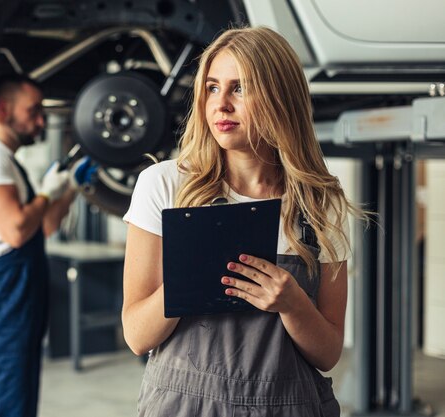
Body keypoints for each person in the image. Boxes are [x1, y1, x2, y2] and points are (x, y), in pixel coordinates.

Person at [122, 26, 365, 417]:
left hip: (288, 406)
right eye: (213, 88)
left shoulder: (322, 204)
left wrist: (293, 305)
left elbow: (328, 354)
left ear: (279, 98)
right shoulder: (166, 185)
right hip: (184, 405)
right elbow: (136, 336)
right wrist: (190, 278)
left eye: (240, 88)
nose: (221, 105)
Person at [0, 74, 92, 417]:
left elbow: (41, 226)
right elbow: (15, 229)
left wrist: (70, 189)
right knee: (6, 407)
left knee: (21, 406)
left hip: (18, 299)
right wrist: (46, 192)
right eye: (33, 111)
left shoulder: (6, 160)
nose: (41, 121)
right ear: (2, 109)